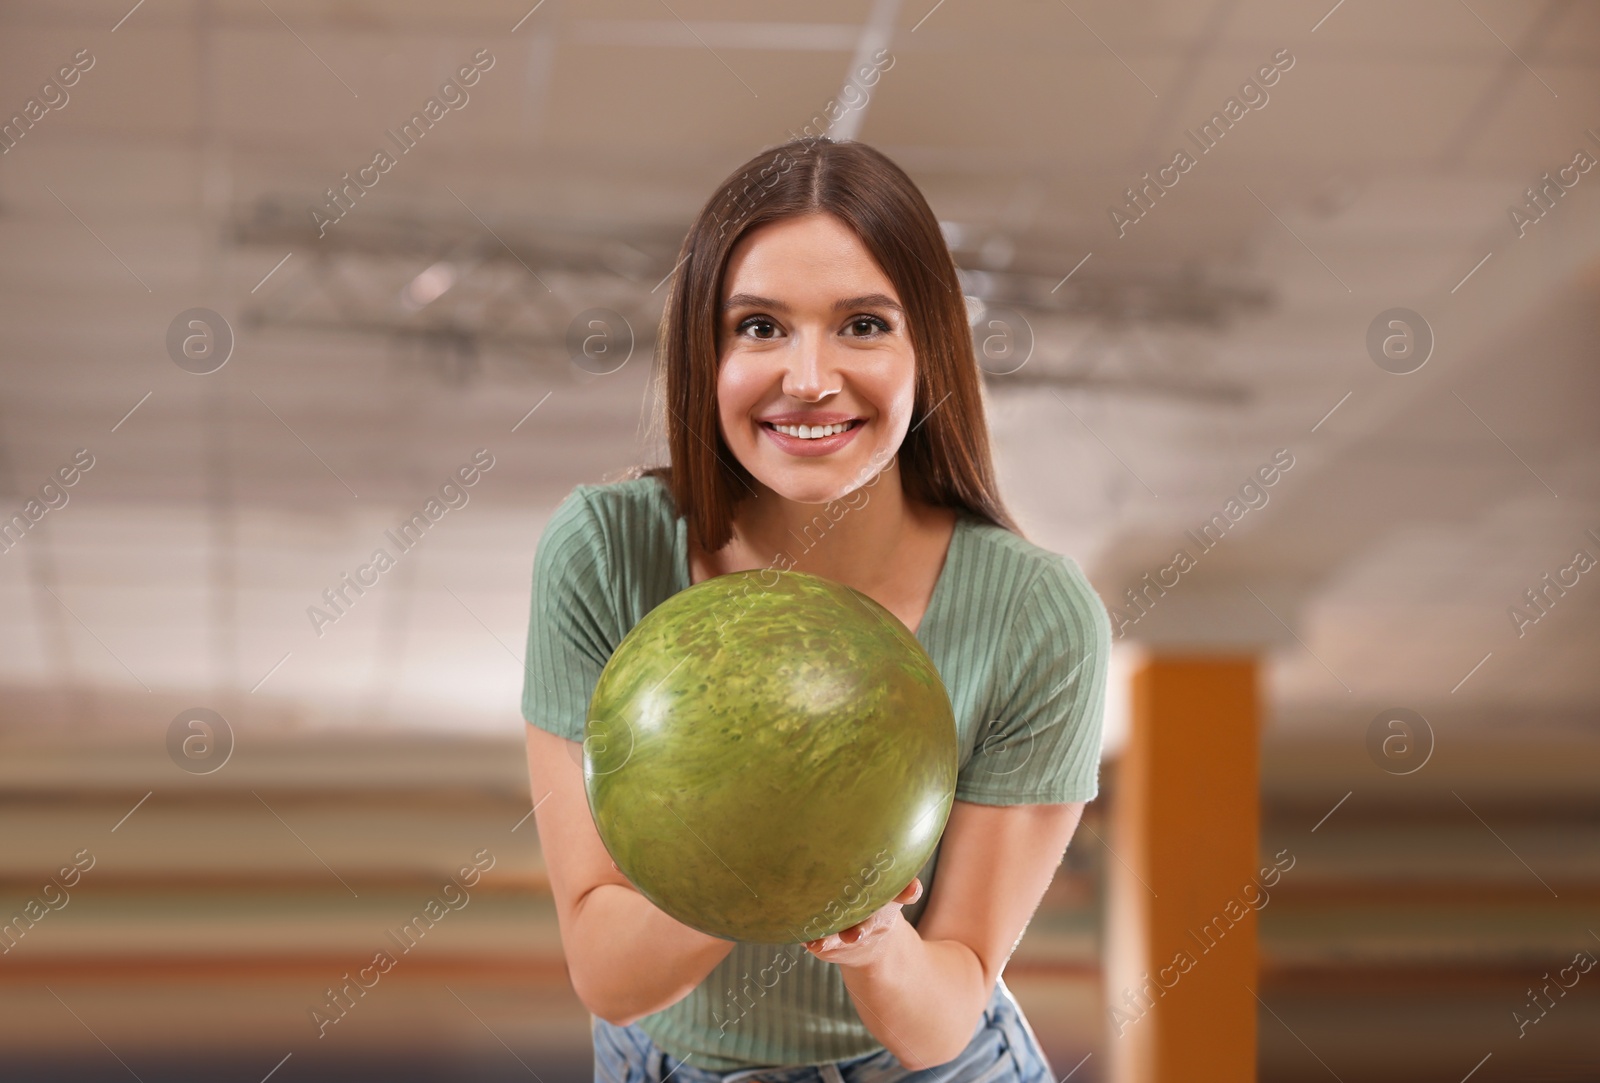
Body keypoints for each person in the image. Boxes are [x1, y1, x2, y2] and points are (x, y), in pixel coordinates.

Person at [522, 137, 1111, 1083]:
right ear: (705, 353)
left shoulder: (1039, 620)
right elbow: (607, 969)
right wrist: (775, 854)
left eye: (863, 325)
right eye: (760, 326)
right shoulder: (605, 553)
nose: (807, 376)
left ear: (929, 348)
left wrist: (875, 933)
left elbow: (944, 1012)